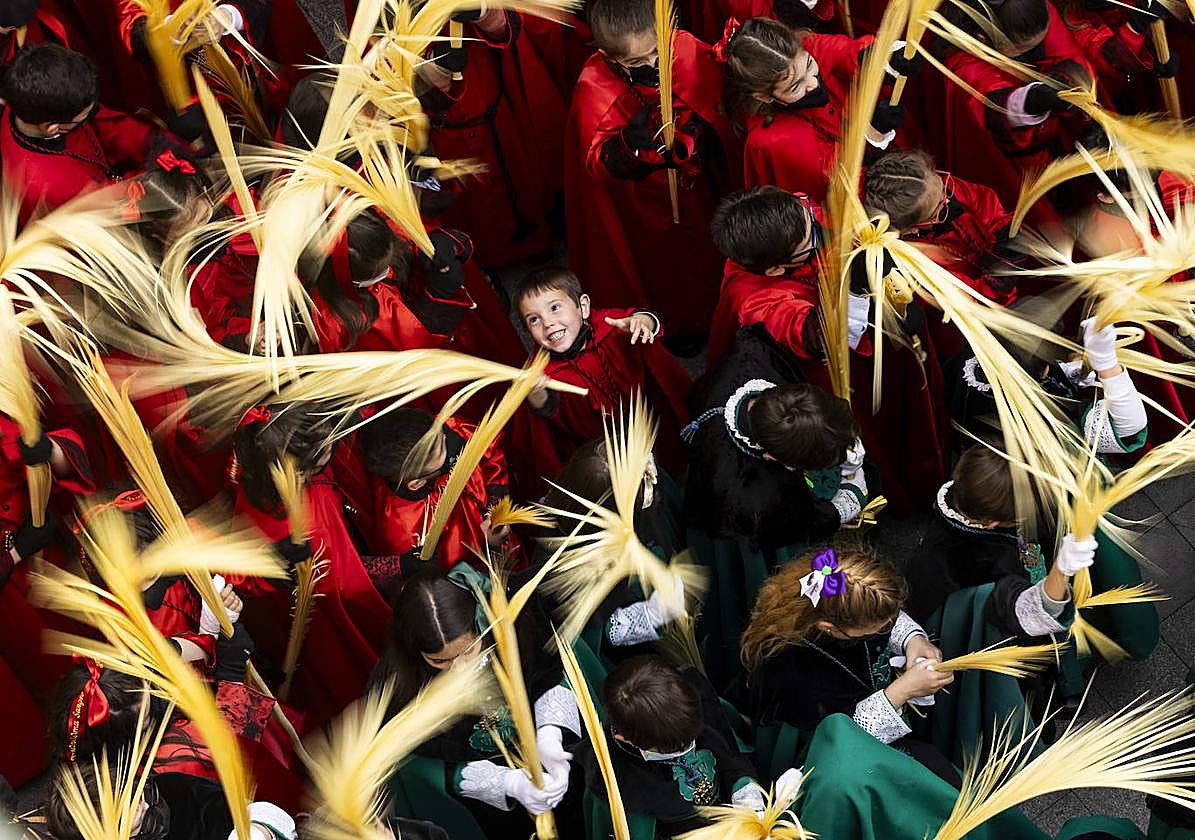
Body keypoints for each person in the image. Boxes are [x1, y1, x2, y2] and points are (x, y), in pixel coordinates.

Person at [708, 187, 950, 509]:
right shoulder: (754, 300)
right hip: (830, 376)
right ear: (775, 270)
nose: (819, 233)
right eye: (809, 242)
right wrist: (857, 290)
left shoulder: (796, 219)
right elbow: (813, 335)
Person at [565, 0, 742, 344]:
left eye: (656, 53)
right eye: (636, 63)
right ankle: (682, 325)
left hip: (699, 184)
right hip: (643, 203)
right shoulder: (595, 86)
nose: (652, 65)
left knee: (709, 245)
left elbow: (718, 97)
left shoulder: (685, 48)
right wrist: (627, 148)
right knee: (668, 266)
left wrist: (701, 132)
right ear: (608, 56)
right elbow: (596, 162)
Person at [378, 566, 578, 839]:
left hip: (551, 767)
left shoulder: (516, 627)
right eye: (439, 661)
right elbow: (413, 760)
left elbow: (549, 672)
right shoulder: (398, 684)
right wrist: (506, 783)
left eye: (469, 650)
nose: (459, 668)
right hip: (486, 804)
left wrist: (550, 736)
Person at [740, 547, 959, 781]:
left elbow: (890, 618)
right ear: (829, 628)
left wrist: (913, 639)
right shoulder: (792, 668)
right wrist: (901, 691)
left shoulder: (842, 602)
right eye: (880, 627)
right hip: (834, 759)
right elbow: (836, 743)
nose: (888, 627)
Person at [230, 402, 389, 723]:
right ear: (299, 471)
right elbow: (347, 585)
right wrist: (395, 569)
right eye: (325, 449)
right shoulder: (296, 527)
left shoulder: (262, 460)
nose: (334, 445)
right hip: (326, 617)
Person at [682, 329, 871, 553]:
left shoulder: (754, 353)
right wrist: (843, 505)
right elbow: (801, 521)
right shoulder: (759, 494)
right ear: (771, 456)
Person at [577, 654, 776, 838]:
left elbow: (729, 752)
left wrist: (744, 789)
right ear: (625, 739)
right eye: (669, 750)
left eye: (690, 741)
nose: (686, 750)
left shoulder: (689, 699)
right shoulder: (617, 782)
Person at [515, 267, 691, 473]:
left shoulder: (609, 326)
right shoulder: (541, 371)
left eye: (555, 308)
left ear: (583, 307)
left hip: (646, 421)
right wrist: (536, 395)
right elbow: (546, 423)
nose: (548, 323)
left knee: (667, 470)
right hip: (597, 448)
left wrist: (643, 322)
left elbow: (647, 319)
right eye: (534, 319)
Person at [906, 446, 1093, 639]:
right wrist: (1061, 570)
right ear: (992, 523)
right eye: (1021, 517)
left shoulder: (966, 493)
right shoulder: (981, 564)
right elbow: (1026, 612)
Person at [0, 415, 94, 787]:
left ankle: (110, 715)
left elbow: (67, 456)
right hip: (11, 600)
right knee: (45, 673)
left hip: (49, 570)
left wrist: (50, 452)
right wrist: (15, 553)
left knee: (84, 648)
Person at [723, 17, 908, 202]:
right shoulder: (774, 141)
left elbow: (842, 51)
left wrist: (881, 58)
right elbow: (838, 178)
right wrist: (871, 133)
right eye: (795, 87)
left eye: (810, 65)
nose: (813, 83)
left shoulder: (799, 53)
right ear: (763, 96)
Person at [0, 43, 186, 218]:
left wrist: (154, 142)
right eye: (85, 116)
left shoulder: (33, 101)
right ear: (52, 128)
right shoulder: (49, 188)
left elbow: (106, 126)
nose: (92, 114)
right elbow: (108, 211)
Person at [357, 407, 517, 572]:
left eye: (442, 436)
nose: (449, 439)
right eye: (442, 452)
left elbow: (491, 456)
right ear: (416, 483)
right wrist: (481, 543)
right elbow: (439, 570)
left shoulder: (447, 428)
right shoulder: (402, 529)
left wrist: (494, 508)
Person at [861, 149, 1021, 308]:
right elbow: (965, 298)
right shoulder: (911, 262)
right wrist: (995, 284)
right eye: (939, 209)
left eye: (944, 188)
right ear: (910, 230)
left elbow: (982, 201)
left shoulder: (931, 188)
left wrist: (1002, 229)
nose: (948, 201)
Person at [303, 211, 475, 354]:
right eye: (381, 271)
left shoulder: (368, 230)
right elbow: (413, 352)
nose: (390, 269)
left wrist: (442, 243)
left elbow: (410, 236)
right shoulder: (339, 323)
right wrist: (437, 298)